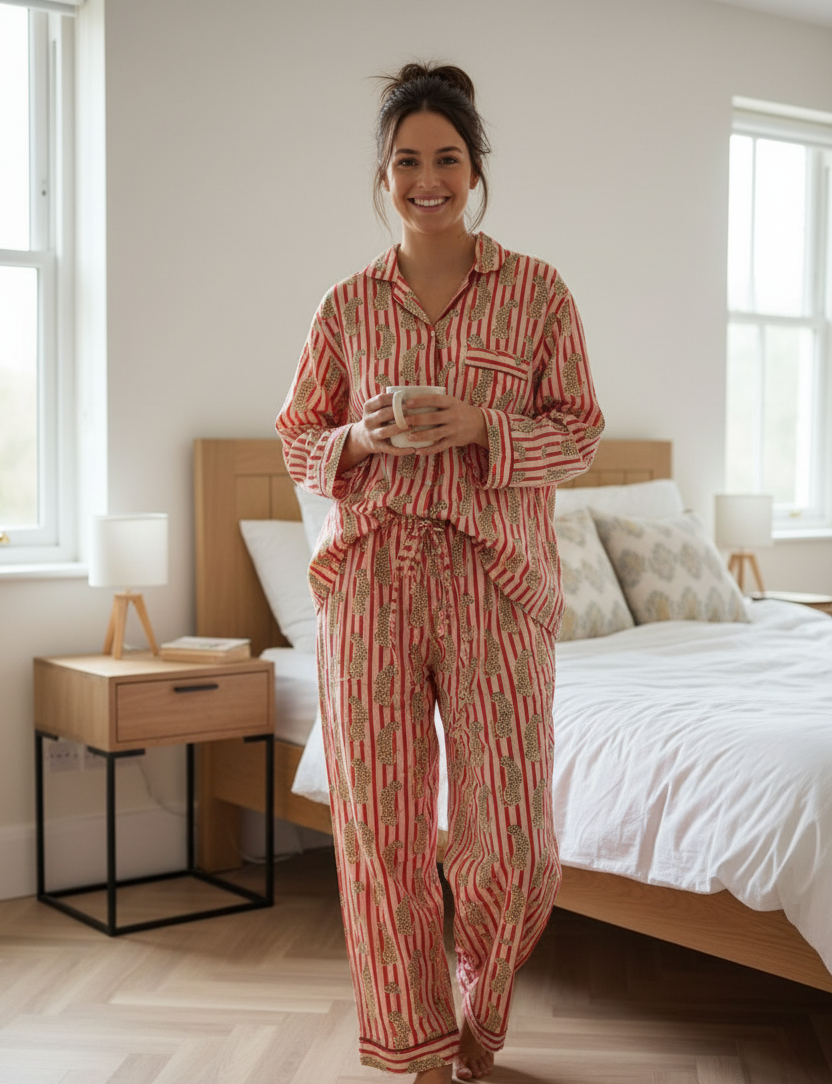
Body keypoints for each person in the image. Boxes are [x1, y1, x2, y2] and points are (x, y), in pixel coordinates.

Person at [276, 62, 603, 1083]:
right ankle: (418, 1047)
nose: (428, 177)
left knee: (511, 846)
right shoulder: (345, 305)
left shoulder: (538, 292)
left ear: (475, 168)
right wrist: (355, 442)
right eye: (408, 160)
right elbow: (296, 440)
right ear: (384, 175)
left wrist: (484, 427)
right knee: (382, 835)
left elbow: (581, 434)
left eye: (446, 157)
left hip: (494, 583)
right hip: (371, 578)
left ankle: (476, 999)